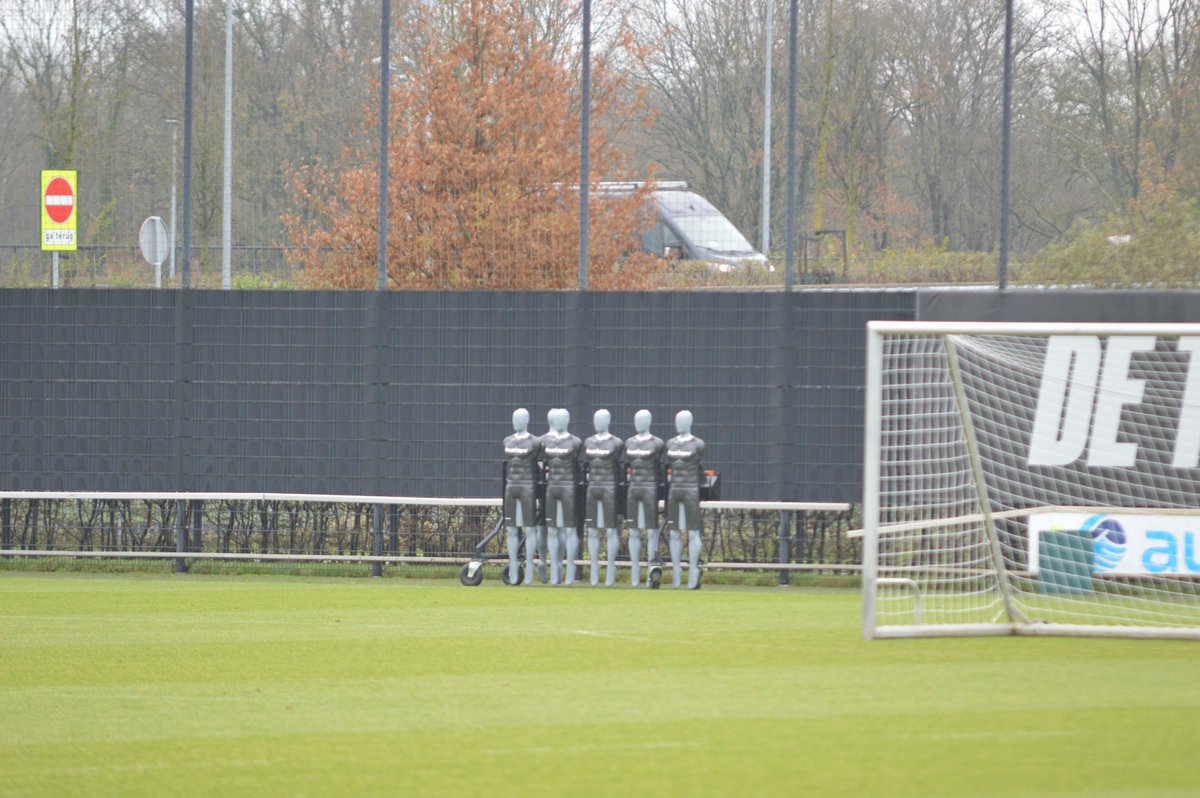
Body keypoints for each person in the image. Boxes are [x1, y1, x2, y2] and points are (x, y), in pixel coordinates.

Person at [541, 407, 583, 585]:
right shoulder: (545, 442)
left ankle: (571, 566)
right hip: (552, 487)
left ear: (567, 420)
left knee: (569, 528)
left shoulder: (576, 442)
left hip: (568, 487)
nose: (557, 422)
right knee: (551, 528)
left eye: (561, 419)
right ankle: (555, 568)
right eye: (555, 419)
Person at [665, 410, 705, 589]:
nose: (679, 423)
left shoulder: (698, 444)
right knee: (674, 531)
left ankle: (693, 568)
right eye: (677, 420)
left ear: (690, 422)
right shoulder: (670, 443)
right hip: (674, 490)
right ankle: (676, 570)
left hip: (690, 489)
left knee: (693, 531)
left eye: (683, 420)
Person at [624, 409, 664, 587]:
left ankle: (651, 569)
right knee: (633, 530)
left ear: (649, 421)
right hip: (634, 489)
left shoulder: (658, 443)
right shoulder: (629, 442)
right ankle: (634, 574)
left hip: (649, 488)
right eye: (636, 419)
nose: (638, 423)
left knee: (652, 529)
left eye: (642, 420)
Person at [584, 409, 624, 586]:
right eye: (595, 419)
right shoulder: (588, 442)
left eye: (601, 419)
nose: (597, 423)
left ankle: (610, 566)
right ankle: (593, 568)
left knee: (610, 529)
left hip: (609, 487)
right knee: (592, 529)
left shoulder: (617, 442)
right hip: (593, 488)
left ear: (608, 421)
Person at [502, 408, 541, 585]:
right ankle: (513, 564)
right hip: (511, 487)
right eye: (514, 418)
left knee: (530, 527)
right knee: (511, 528)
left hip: (527, 486)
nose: (516, 421)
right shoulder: (507, 441)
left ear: (527, 420)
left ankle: (530, 564)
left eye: (519, 418)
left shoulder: (535, 441)